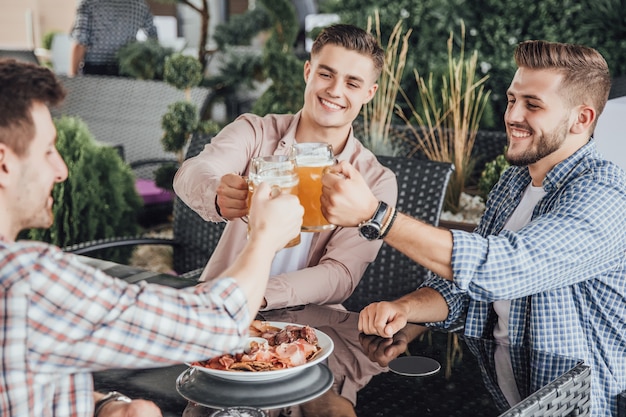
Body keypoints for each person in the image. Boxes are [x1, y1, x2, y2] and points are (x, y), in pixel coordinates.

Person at [320, 40, 626, 416]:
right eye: (512, 99)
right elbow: (466, 290)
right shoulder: (514, 183)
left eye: (533, 105)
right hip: (504, 400)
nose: (512, 115)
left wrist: (376, 215)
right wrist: (406, 309)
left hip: (571, 408)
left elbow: (501, 268)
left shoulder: (604, 198)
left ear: (582, 119)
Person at [0, 59, 303, 416]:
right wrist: (264, 238)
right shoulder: (24, 280)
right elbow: (215, 323)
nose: (61, 170)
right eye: (48, 150)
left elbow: (20, 382)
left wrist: (105, 406)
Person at [173, 24, 398, 310]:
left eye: (352, 83)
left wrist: (253, 294)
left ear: (369, 93)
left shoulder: (375, 181)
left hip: (312, 328)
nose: (334, 90)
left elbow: (341, 274)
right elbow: (191, 172)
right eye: (325, 74)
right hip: (221, 314)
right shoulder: (255, 132)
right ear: (308, 72)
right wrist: (215, 192)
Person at [68, 0, 158, 76]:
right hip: (126, 71)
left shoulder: (89, 3)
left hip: (94, 72)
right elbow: (154, 40)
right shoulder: (140, 4)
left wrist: (73, 75)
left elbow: (80, 43)